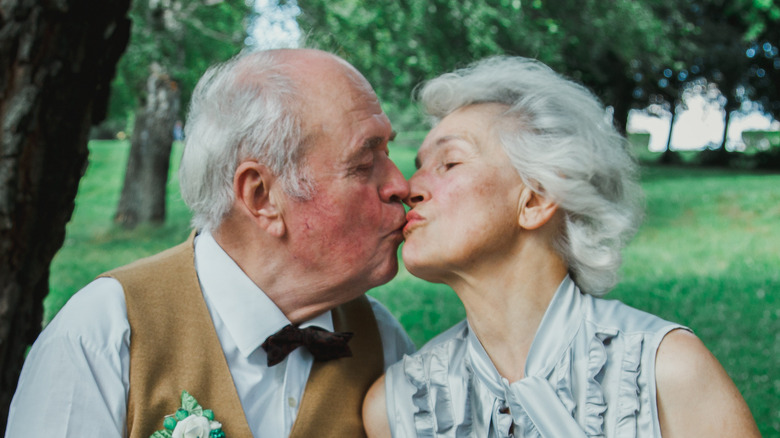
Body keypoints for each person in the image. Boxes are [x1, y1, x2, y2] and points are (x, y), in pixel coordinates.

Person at [6, 48, 416, 437]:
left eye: (388, 151)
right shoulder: (103, 336)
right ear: (261, 197)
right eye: (365, 164)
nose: (400, 184)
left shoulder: (382, 340)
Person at [363, 56, 760, 437]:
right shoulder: (397, 408)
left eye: (449, 163)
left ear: (536, 199)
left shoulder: (668, 372)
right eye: (419, 165)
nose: (409, 188)